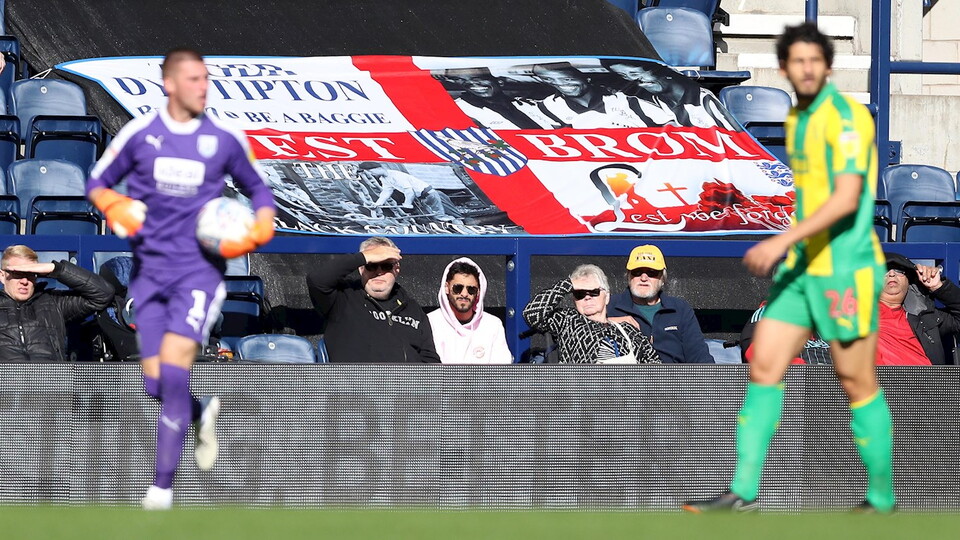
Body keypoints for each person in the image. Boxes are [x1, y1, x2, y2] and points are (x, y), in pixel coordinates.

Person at [683, 23, 894, 513]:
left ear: (828, 66)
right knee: (764, 365)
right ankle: (744, 492)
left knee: (856, 380)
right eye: (797, 61)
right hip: (802, 271)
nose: (807, 69)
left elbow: (846, 198)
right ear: (784, 68)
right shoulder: (798, 119)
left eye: (815, 60)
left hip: (846, 269)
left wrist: (782, 239)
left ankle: (882, 496)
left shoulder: (847, 119)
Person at [86, 48, 277, 510]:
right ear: (169, 84)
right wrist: (116, 205)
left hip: (198, 278)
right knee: (156, 385)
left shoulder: (224, 138)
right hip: (149, 278)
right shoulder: (140, 134)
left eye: (206, 79)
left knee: (173, 372)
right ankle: (199, 410)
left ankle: (161, 489)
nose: (203, 87)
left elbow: (259, 189)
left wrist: (260, 226)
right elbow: (96, 182)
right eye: (193, 79)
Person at [306, 236, 440, 363]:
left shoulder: (412, 308)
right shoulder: (342, 297)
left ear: (396, 269)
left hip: (406, 380)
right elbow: (317, 280)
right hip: (354, 379)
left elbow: (430, 359)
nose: (379, 272)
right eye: (371, 265)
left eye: (386, 266)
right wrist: (364, 257)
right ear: (361, 269)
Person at [523, 264, 659, 364]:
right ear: (574, 300)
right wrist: (568, 284)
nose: (587, 297)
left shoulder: (628, 330)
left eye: (594, 292)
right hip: (584, 392)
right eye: (580, 294)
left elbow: (655, 367)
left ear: (607, 297)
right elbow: (532, 313)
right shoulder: (567, 320)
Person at [0, 245, 114, 362]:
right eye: (18, 274)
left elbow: (103, 294)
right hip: (6, 374)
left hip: (50, 373)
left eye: (31, 274)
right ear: (2, 276)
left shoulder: (53, 303)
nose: (24, 281)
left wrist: (56, 269)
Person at [606, 245, 714, 364]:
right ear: (628, 276)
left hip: (673, 375)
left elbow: (700, 356)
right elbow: (588, 332)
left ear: (662, 278)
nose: (643, 278)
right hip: (626, 375)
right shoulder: (609, 305)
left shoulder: (680, 309)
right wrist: (609, 322)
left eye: (651, 273)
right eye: (637, 272)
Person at [600, 59, 739, 129]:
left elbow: (729, 137)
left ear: (657, 71)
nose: (633, 79)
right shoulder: (648, 104)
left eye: (634, 73)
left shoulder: (703, 98)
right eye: (624, 75)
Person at [877, 252, 960, 366]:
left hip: (926, 377)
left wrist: (938, 287)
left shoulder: (927, 318)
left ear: (909, 282)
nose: (892, 274)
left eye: (899, 271)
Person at [427, 257, 512, 364]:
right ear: (447, 288)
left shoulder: (493, 325)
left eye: (471, 289)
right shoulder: (430, 322)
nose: (464, 294)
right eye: (458, 288)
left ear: (478, 292)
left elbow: (502, 367)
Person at [530, 62, 650, 129]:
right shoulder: (548, 107)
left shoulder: (624, 98)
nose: (559, 84)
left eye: (567, 79)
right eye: (549, 79)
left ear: (587, 78)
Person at [441, 67, 561, 130]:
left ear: (500, 82)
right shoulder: (458, 110)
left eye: (478, 79)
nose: (473, 85)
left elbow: (558, 128)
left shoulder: (528, 104)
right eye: (463, 81)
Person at [358, 162, 456, 222]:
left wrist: (407, 204)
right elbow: (386, 192)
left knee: (438, 216)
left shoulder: (396, 175)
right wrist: (378, 204)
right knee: (429, 215)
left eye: (371, 171)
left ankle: (452, 223)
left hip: (429, 194)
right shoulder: (384, 179)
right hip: (421, 197)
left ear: (379, 168)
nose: (371, 174)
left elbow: (409, 191)